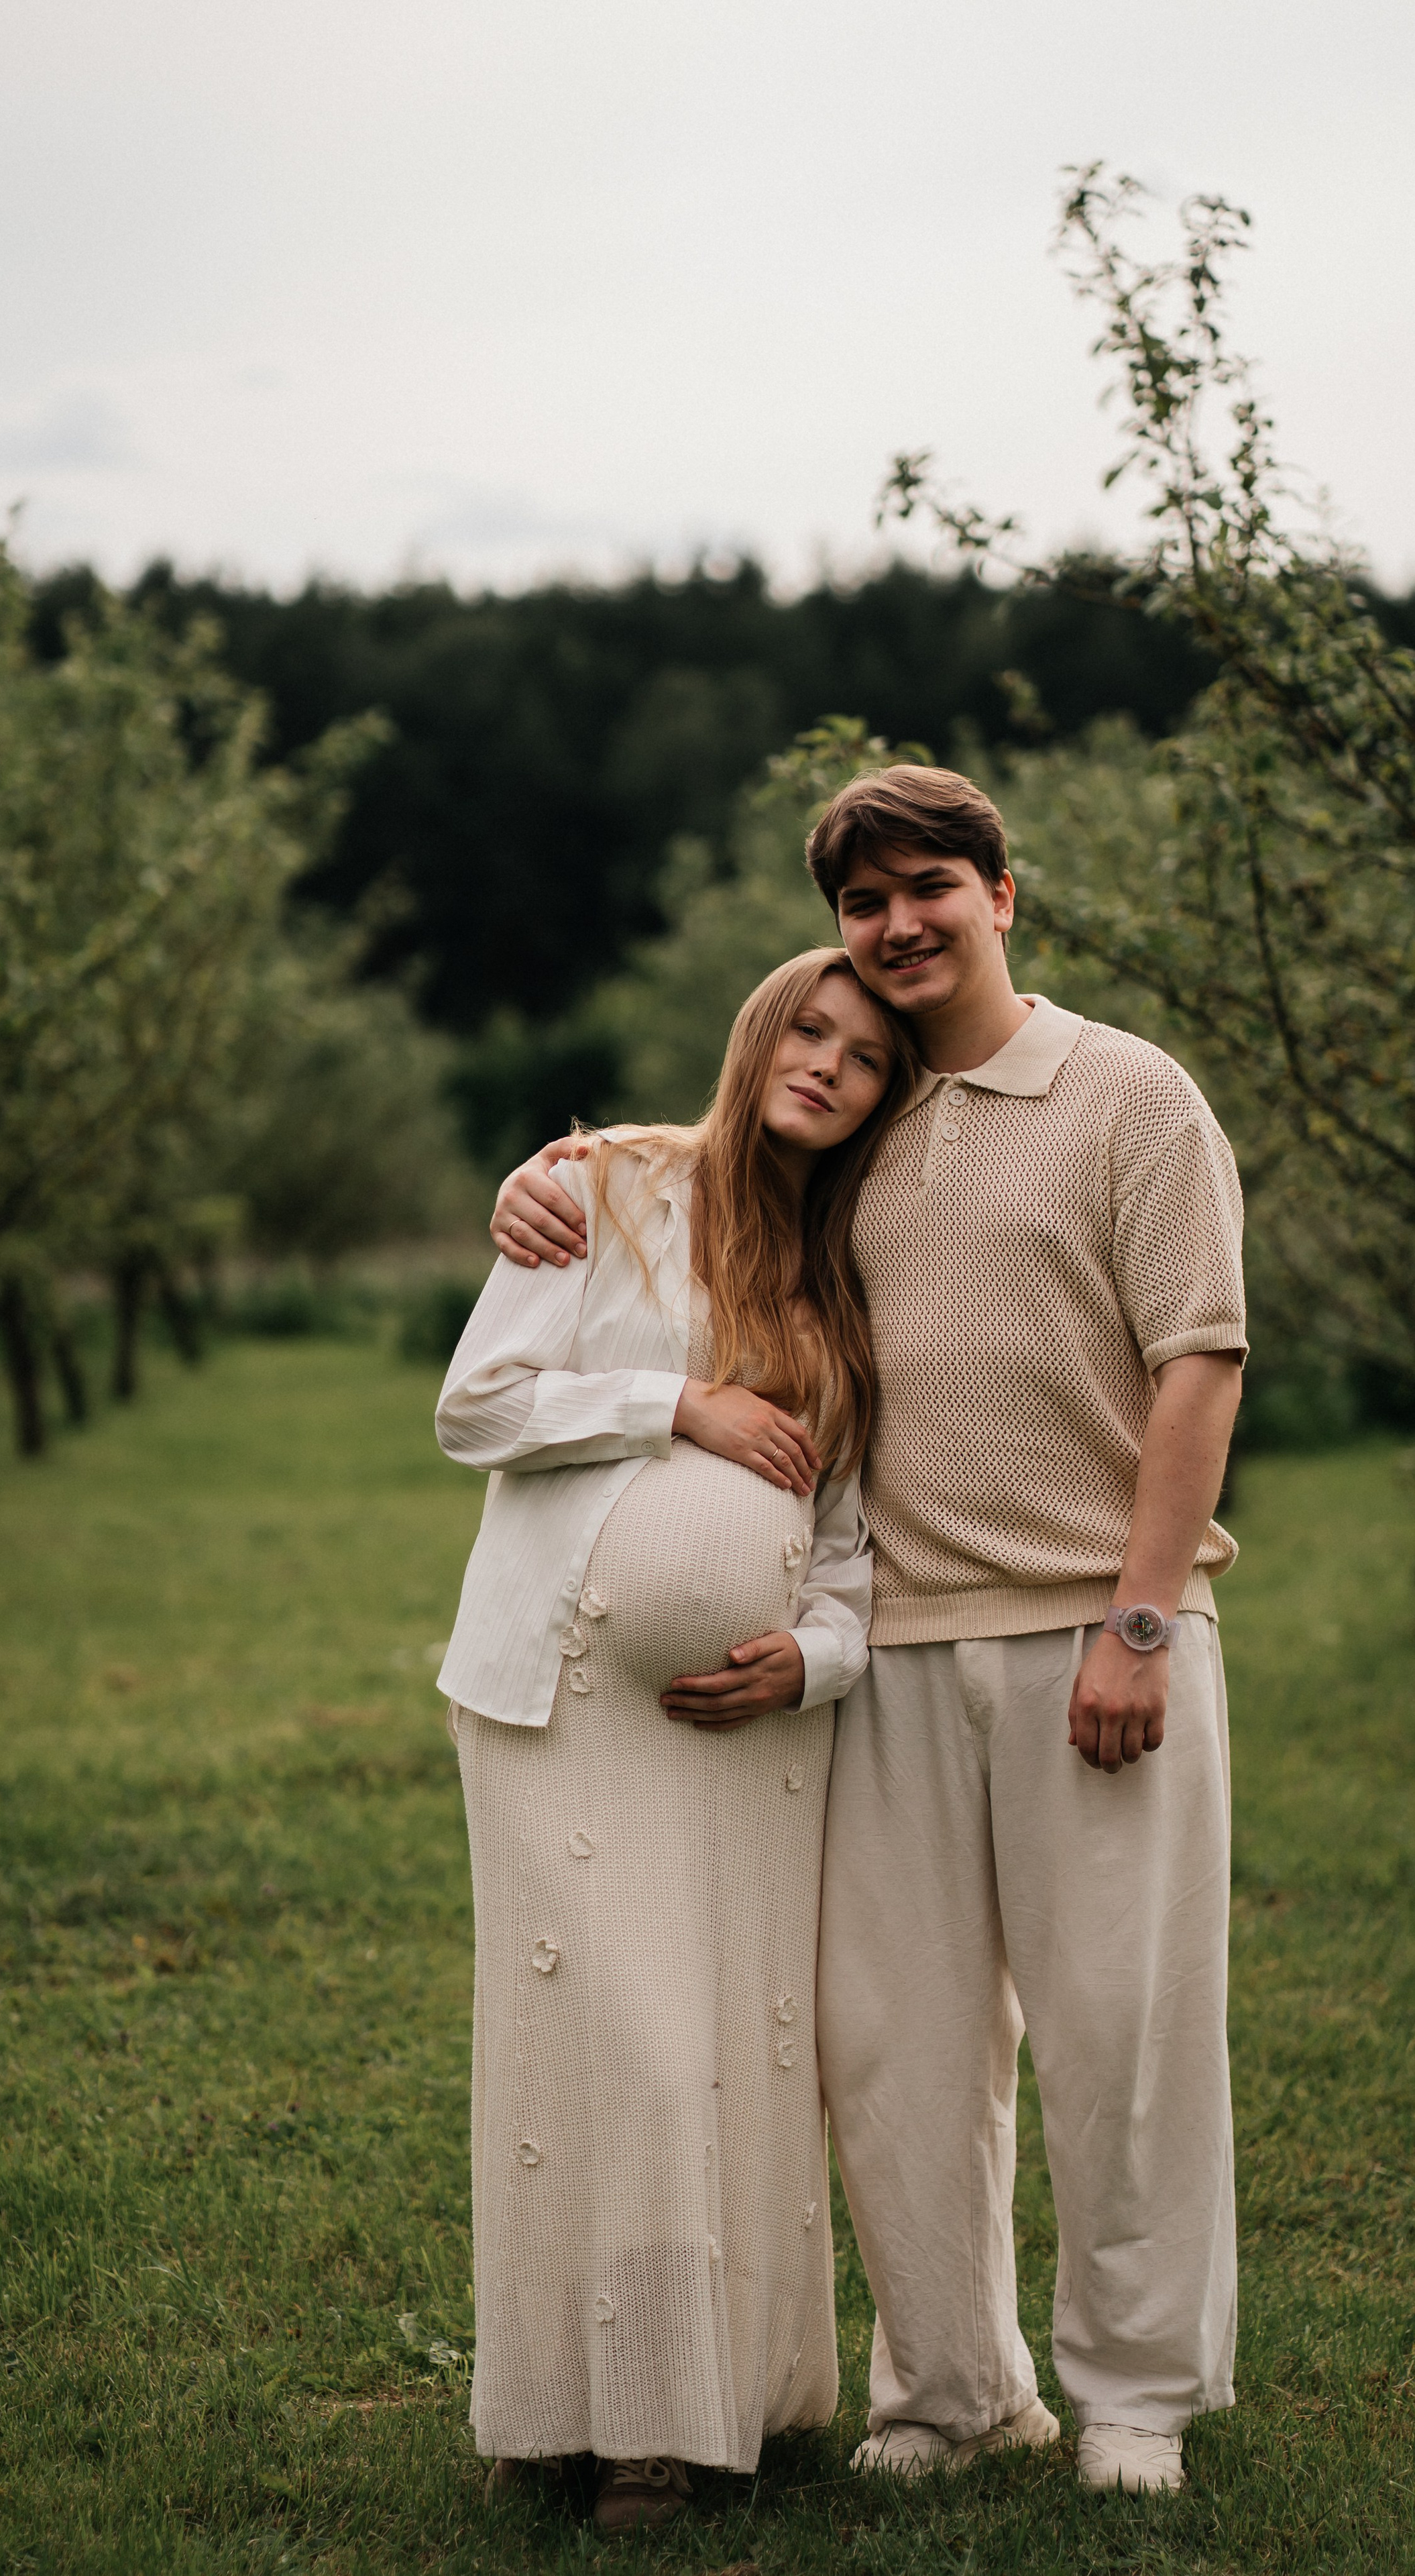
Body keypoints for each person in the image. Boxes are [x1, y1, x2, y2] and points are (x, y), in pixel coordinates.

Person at [491, 764, 1245, 2500]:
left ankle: (1130, 2395)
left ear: (1003, 893)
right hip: (890, 1650)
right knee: (894, 2047)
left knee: (1120, 2029)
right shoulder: (866, 1111)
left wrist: (1140, 1616)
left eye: (931, 887)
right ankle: (951, 2387)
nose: (899, 923)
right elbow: (710, 1163)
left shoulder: (1132, 1096)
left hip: (1097, 1632)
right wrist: (551, 1178)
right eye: (863, 900)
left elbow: (1200, 1357)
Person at [435, 949, 920, 2534]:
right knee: (586, 2054)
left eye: (864, 1056)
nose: (828, 1065)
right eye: (810, 1027)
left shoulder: (840, 1286)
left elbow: (846, 1554)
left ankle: (662, 2419)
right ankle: (554, 2401)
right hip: (563, 1700)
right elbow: (477, 1406)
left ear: (881, 1098)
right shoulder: (607, 1188)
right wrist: (676, 1407)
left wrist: (810, 1661)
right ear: (757, 1031)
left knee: (712, 2064)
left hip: (747, 1745)